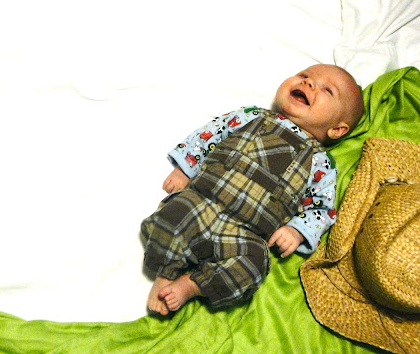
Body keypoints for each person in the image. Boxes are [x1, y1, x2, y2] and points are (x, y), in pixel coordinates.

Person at [142, 64, 364, 315]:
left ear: (337, 129)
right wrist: (186, 168)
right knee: (173, 216)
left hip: (244, 235)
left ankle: (192, 285)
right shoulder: (252, 115)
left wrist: (297, 230)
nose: (308, 83)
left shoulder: (321, 164)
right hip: (202, 202)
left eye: (327, 90)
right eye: (304, 76)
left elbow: (321, 209)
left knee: (254, 265)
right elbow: (211, 134)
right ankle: (166, 273)